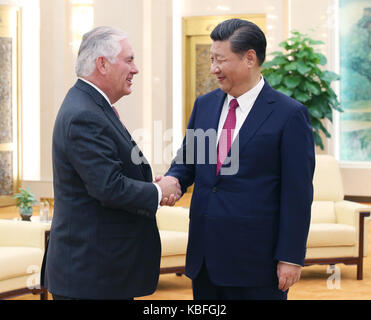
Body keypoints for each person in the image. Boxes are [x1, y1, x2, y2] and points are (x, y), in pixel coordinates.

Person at [160, 19, 315, 300]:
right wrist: (173, 179)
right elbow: (188, 161)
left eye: (220, 60)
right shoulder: (204, 105)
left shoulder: (289, 115)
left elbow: (298, 194)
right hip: (205, 260)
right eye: (211, 59)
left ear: (250, 59)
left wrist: (291, 257)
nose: (213, 69)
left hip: (256, 264)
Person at [41, 26, 181, 300]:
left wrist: (145, 184)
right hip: (91, 278)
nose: (136, 69)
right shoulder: (84, 114)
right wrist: (158, 191)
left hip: (102, 275)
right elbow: (108, 187)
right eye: (129, 60)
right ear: (102, 64)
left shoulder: (91, 105)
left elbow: (105, 174)